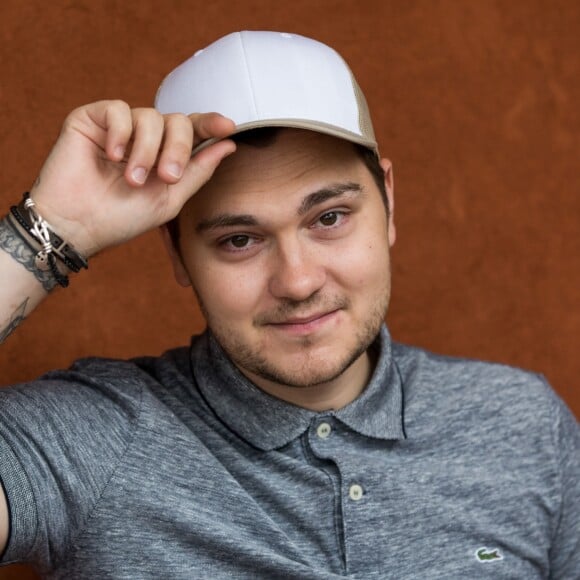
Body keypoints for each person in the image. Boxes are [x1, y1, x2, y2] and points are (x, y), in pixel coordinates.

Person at [0, 31, 578, 579]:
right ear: (177, 253)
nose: (298, 282)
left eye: (329, 218)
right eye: (239, 240)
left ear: (389, 202)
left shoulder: (523, 425)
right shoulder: (95, 442)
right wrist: (48, 231)